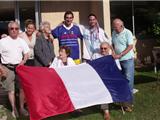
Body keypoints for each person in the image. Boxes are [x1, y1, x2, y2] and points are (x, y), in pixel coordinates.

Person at [0, 21, 30, 118]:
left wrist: (23, 61)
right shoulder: (2, 41)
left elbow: (26, 54)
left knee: (22, 89)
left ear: (18, 30)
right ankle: (14, 109)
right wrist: (1, 68)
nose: (14, 30)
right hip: (7, 68)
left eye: (16, 29)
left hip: (19, 68)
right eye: (12, 28)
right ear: (8, 30)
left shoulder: (21, 41)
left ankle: (21, 107)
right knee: (10, 90)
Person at [92, 42, 121, 120]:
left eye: (105, 48)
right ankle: (106, 112)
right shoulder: (95, 56)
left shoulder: (113, 56)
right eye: (101, 48)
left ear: (109, 48)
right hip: (99, 78)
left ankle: (124, 104)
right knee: (103, 90)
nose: (103, 50)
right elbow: (91, 67)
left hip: (111, 78)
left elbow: (118, 69)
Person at [112, 18, 134, 112]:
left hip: (127, 60)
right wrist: (113, 53)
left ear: (121, 25)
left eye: (115, 25)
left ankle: (128, 104)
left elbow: (130, 46)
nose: (114, 27)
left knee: (128, 81)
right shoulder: (114, 32)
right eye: (113, 25)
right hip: (118, 61)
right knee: (120, 81)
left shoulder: (127, 32)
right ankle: (122, 101)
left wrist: (120, 55)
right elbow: (112, 44)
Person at [18, 19, 37, 116]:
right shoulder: (21, 36)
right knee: (22, 87)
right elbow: (13, 39)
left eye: (32, 28)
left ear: (34, 29)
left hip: (33, 62)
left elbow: (47, 30)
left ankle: (29, 105)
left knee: (31, 86)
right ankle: (21, 107)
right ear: (26, 27)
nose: (30, 29)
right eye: (28, 27)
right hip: (23, 62)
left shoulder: (35, 34)